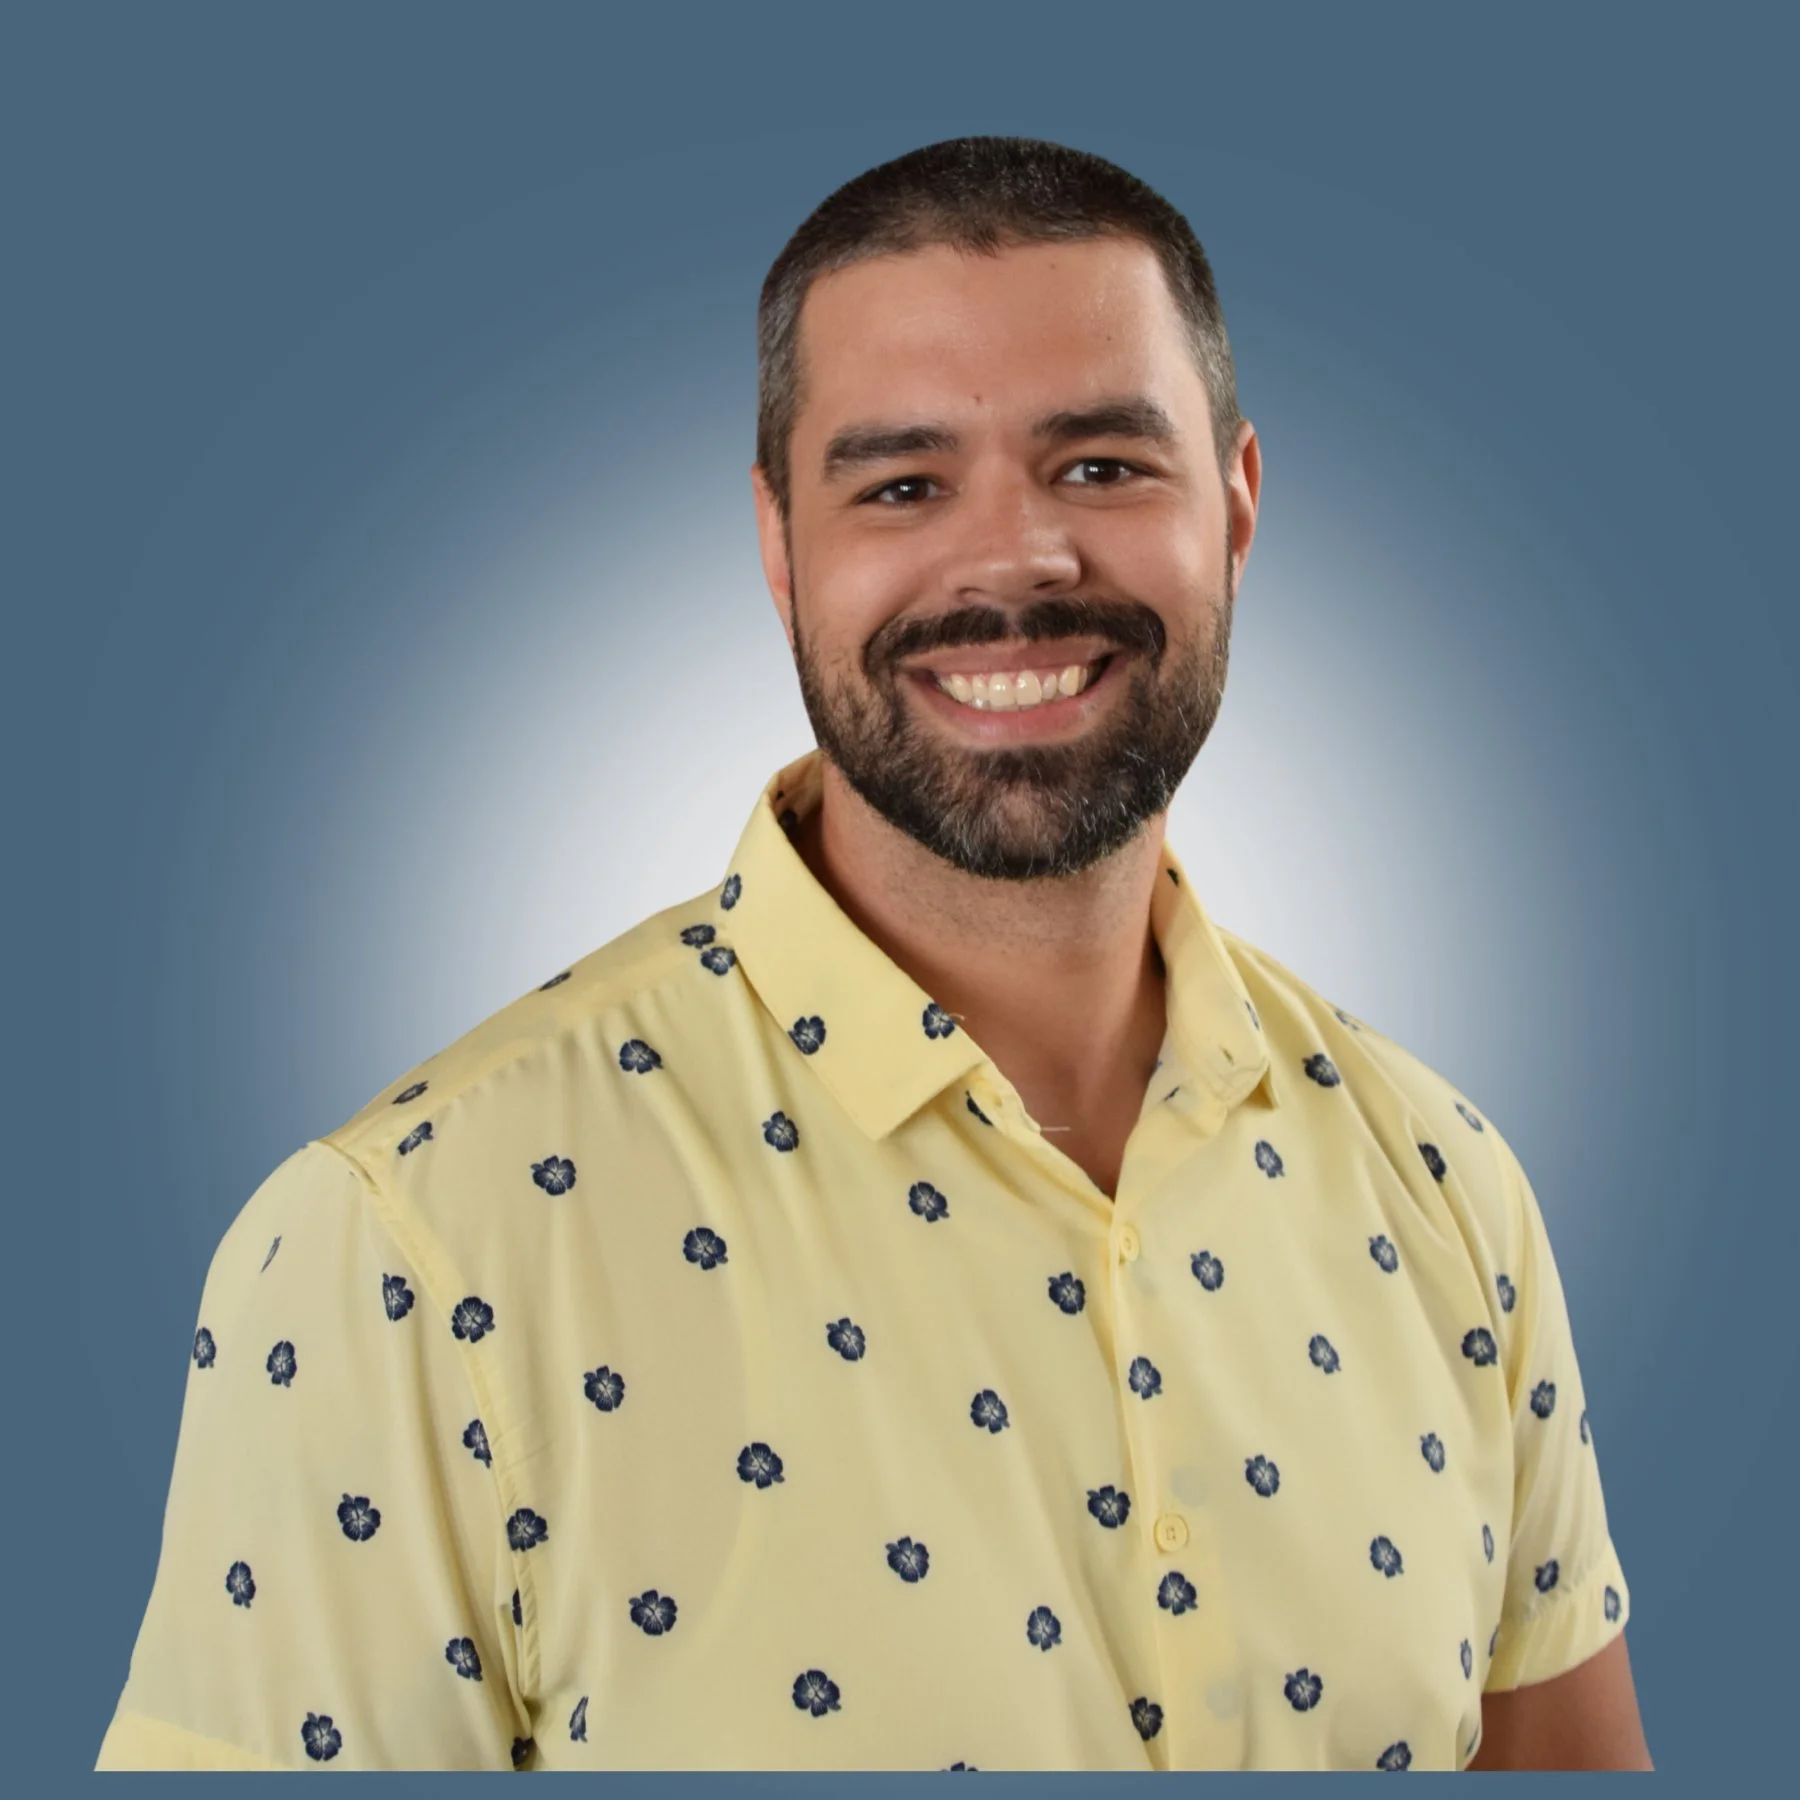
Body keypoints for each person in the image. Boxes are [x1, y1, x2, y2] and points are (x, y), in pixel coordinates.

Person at [95, 135, 1652, 1772]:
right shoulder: (406, 1253)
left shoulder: (1448, 1186)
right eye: (903, 486)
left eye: (1102, 465)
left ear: (1239, 506)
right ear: (779, 546)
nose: (1017, 559)